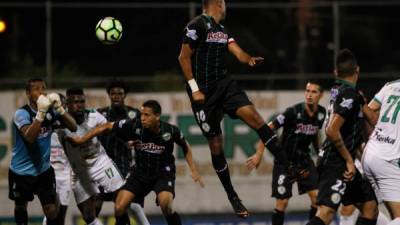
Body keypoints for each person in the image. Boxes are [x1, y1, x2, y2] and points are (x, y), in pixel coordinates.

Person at [178, 0, 288, 217]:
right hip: (203, 94)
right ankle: (233, 197)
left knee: (256, 118)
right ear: (218, 4)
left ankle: (288, 165)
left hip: (225, 86)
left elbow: (237, 52)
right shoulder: (196, 25)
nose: (226, 7)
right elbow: (183, 57)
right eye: (224, 3)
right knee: (216, 145)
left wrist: (248, 59)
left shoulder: (221, 29)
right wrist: (195, 89)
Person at [306, 49, 378, 225]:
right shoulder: (349, 94)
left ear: (336, 72)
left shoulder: (340, 90)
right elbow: (331, 130)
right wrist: (348, 161)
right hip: (336, 162)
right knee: (326, 213)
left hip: (340, 163)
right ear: (357, 70)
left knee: (370, 207)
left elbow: (373, 120)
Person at [109, 100, 204, 225]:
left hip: (162, 173)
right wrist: (126, 142)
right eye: (141, 114)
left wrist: (193, 170)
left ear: (157, 116)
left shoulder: (170, 130)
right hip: (140, 172)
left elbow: (185, 146)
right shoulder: (135, 126)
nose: (142, 118)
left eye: (146, 115)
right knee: (119, 207)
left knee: (166, 205)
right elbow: (110, 128)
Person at [247, 81, 326, 225]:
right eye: (307, 91)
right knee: (282, 203)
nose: (309, 95)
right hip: (285, 162)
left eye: (314, 92)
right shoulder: (293, 112)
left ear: (321, 95)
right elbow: (267, 129)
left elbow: (314, 133)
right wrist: (258, 155)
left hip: (304, 161)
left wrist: (319, 153)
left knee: (317, 199)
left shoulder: (321, 114)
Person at [8, 78, 77, 225]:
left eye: (43, 88)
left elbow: (73, 127)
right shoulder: (21, 114)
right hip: (21, 172)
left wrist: (60, 109)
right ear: (28, 93)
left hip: (43, 171)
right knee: (21, 206)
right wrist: (41, 113)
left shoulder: (50, 111)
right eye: (37, 89)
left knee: (52, 211)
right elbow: (30, 138)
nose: (42, 92)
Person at [59, 87, 125, 225]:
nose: (80, 105)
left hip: (100, 163)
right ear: (67, 104)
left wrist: (127, 140)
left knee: (123, 200)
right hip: (79, 171)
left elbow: (108, 126)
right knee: (88, 215)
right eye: (75, 102)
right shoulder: (59, 122)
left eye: (82, 101)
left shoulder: (94, 116)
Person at [97, 79, 146, 225]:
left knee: (121, 206)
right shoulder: (101, 114)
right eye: (113, 93)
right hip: (103, 165)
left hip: (125, 164)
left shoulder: (134, 114)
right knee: (95, 203)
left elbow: (142, 137)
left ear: (125, 95)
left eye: (120, 93)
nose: (116, 96)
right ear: (109, 95)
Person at [361, 79, 400, 225]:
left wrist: (367, 142)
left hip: (370, 153)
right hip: (389, 159)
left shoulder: (391, 86)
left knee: (372, 210)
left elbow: (365, 112)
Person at [43, 94, 73, 225]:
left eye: (60, 104)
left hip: (65, 175)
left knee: (61, 215)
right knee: (51, 212)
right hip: (49, 174)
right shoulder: (43, 123)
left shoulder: (70, 124)